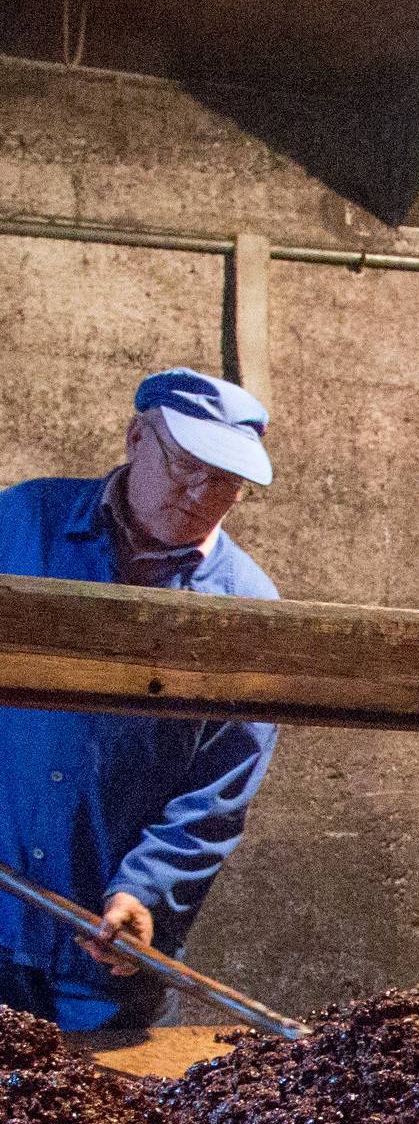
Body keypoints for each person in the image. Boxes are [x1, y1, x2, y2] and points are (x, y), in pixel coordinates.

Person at [0, 369, 279, 1029]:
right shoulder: (19, 525)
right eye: (185, 466)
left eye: (223, 481)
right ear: (135, 437)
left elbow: (219, 792)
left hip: (103, 950)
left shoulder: (246, 609)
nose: (198, 494)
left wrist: (144, 890)